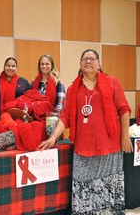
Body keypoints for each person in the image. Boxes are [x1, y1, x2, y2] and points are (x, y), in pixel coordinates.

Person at [38, 49, 133, 214]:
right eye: (84, 59)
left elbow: (124, 109)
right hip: (83, 149)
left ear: (99, 64)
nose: (88, 61)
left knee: (109, 188)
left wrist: (125, 136)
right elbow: (65, 116)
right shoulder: (73, 89)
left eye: (92, 58)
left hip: (109, 147)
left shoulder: (111, 82)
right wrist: (53, 137)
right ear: (80, 64)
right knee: (83, 188)